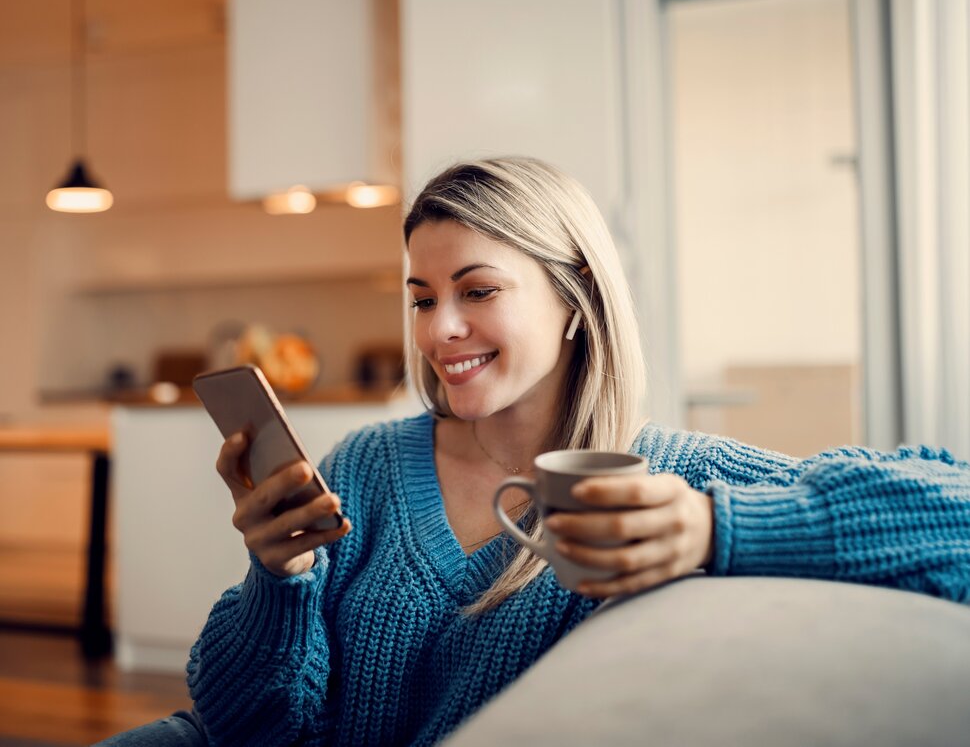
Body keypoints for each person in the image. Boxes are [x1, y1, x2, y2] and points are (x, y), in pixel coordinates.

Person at [97, 157, 970, 747]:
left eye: (477, 290)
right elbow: (242, 723)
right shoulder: (367, 464)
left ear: (574, 295)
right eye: (421, 297)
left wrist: (717, 527)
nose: (440, 330)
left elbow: (954, 513)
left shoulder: (667, 482)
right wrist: (276, 578)